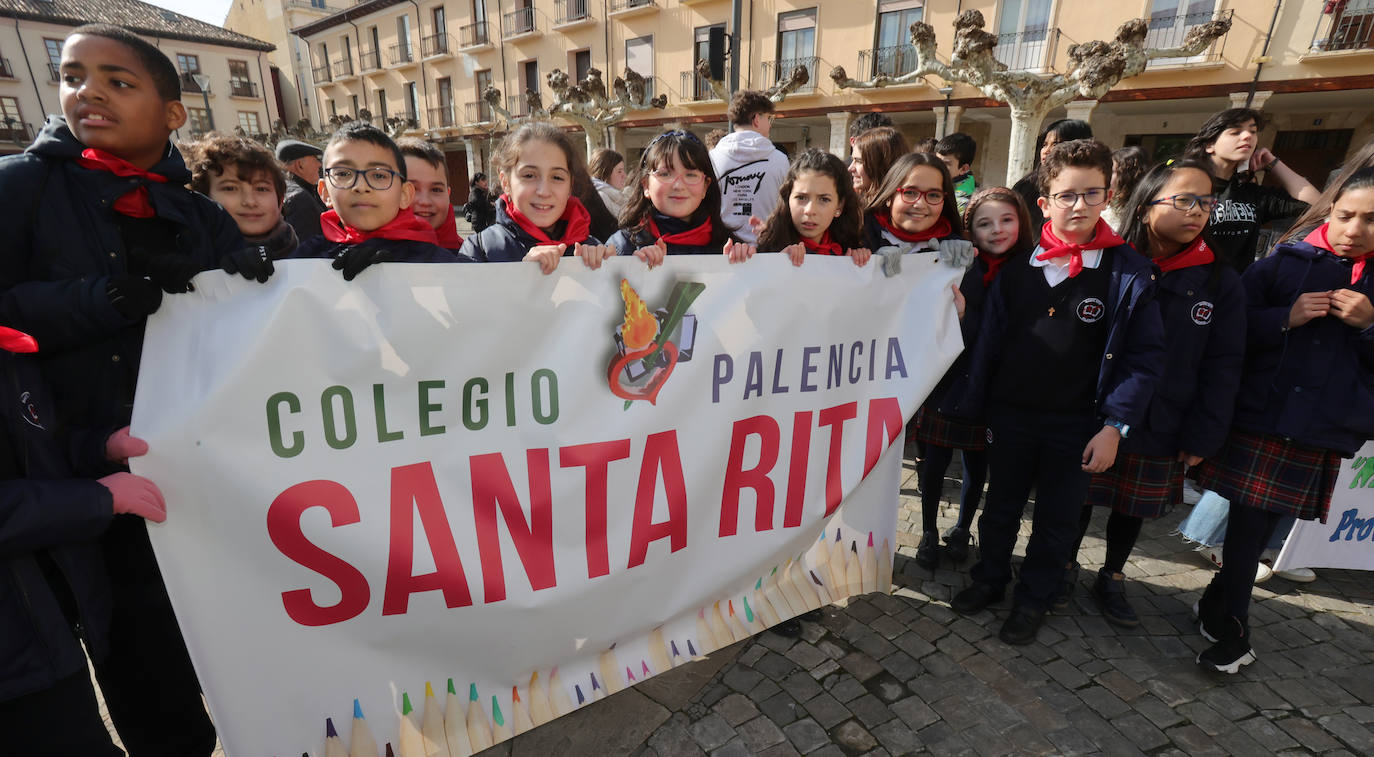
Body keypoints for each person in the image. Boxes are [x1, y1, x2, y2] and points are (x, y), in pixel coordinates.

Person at [0, 23, 251, 755]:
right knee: (142, 662)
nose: (89, 93)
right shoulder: (20, 190)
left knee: (222, 637)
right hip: (82, 481)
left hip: (199, 473)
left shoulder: (201, 213)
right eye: (75, 76)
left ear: (174, 113)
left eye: (119, 80)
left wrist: (263, 281)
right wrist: (101, 298)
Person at [948, 139, 1165, 646]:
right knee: (999, 507)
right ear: (1044, 203)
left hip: (1078, 423)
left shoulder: (1127, 273)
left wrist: (1116, 425)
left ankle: (1033, 599)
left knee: (1057, 520)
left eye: (1092, 194)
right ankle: (990, 579)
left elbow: (1144, 357)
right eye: (1067, 195)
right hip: (1011, 415)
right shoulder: (1018, 270)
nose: (1080, 206)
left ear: (1108, 196)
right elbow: (991, 339)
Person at [1191, 167, 1374, 673]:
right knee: (1248, 526)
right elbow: (1231, 329)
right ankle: (1235, 628)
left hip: (1323, 425)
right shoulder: (1285, 262)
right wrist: (1283, 318)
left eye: (1372, 220)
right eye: (1346, 215)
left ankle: (1215, 599)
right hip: (1263, 415)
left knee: (1266, 522)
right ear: (1330, 212)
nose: (1355, 230)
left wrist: (1369, 325)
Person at [1067, 159, 1244, 627]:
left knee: (1132, 506)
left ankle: (1113, 574)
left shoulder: (1218, 279)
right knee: (1080, 494)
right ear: (1145, 206)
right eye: (1184, 199)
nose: (1198, 211)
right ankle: (1063, 564)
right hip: (1099, 408)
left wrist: (1204, 434)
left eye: (1207, 202)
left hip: (1165, 417)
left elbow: (1224, 363)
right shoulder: (1112, 262)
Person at [0, 323, 171, 757]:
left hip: (46, 635)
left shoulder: (11, 352)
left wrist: (103, 449)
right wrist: (97, 499)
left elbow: (39, 448)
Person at [918, 187, 1034, 567]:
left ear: (1022, 221)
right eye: (985, 223)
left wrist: (970, 320)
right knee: (933, 465)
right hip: (946, 382)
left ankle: (962, 530)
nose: (996, 230)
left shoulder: (1032, 271)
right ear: (970, 230)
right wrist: (961, 319)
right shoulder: (958, 265)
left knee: (976, 467)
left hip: (993, 389)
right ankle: (929, 531)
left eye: (1006, 220)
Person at [288, 121, 467, 276]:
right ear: (325, 191)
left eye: (379, 176)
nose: (361, 186)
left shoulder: (439, 260)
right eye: (343, 173)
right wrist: (264, 277)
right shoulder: (308, 255)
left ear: (404, 194)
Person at [459, 122, 613, 273]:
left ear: (570, 186)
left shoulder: (592, 248)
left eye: (557, 177)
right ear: (505, 182)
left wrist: (610, 274)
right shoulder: (478, 250)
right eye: (529, 175)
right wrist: (523, 277)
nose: (544, 191)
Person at [1183, 108, 1318, 272]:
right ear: (1210, 144)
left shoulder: (1252, 193)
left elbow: (1317, 204)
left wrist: (1273, 163)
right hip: (1186, 288)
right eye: (1235, 131)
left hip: (1234, 290)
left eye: (1253, 131)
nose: (1248, 136)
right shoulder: (1185, 186)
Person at [606, 130, 753, 265]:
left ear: (705, 186)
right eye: (665, 174)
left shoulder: (728, 246)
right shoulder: (622, 247)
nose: (678, 185)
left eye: (690, 175)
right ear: (646, 185)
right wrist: (631, 269)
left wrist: (740, 267)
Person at [187, 132, 299, 265]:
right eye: (230, 188)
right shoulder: (182, 259)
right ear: (203, 197)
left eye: (261, 189)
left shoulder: (312, 254)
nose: (250, 202)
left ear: (280, 201)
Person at [756, 148, 872, 267]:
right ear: (788, 198)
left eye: (824, 199)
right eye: (801, 198)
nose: (810, 210)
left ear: (839, 205)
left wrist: (858, 264)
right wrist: (776, 265)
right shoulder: (767, 252)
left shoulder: (849, 250)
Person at [710, 90, 789, 244]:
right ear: (757, 119)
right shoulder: (780, 160)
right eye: (768, 118)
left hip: (723, 249)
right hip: (766, 248)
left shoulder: (712, 158)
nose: (770, 125)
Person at [860, 152, 965, 253]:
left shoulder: (959, 251)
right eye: (910, 192)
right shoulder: (857, 238)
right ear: (889, 197)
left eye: (933, 195)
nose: (920, 204)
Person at [1012, 119, 1093, 240]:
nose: (1046, 151)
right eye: (1045, 145)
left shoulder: (1089, 187)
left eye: (1055, 144)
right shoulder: (1026, 186)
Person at [396, 137, 463, 251]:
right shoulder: (365, 256)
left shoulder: (470, 256)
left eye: (436, 190)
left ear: (448, 195)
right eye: (411, 189)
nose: (425, 201)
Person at [277, 137, 326, 241]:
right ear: (300, 165)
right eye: (315, 159)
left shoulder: (284, 188)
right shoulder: (299, 199)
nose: (319, 164)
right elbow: (310, 247)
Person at [850, 126, 908, 210]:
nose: (850, 168)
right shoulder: (853, 205)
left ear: (881, 164)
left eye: (859, 161)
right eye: (852, 160)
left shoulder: (899, 213)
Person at [1101, 146, 1150, 232]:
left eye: (1112, 172)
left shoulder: (1142, 215)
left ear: (1128, 177)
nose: (1105, 177)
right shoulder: (1103, 206)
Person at [936, 132, 978, 214]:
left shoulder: (962, 203)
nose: (937, 166)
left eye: (946, 164)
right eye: (936, 160)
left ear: (963, 169)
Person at [590, 147, 630, 218]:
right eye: (619, 171)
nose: (624, 176)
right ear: (605, 173)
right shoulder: (599, 198)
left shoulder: (617, 198)